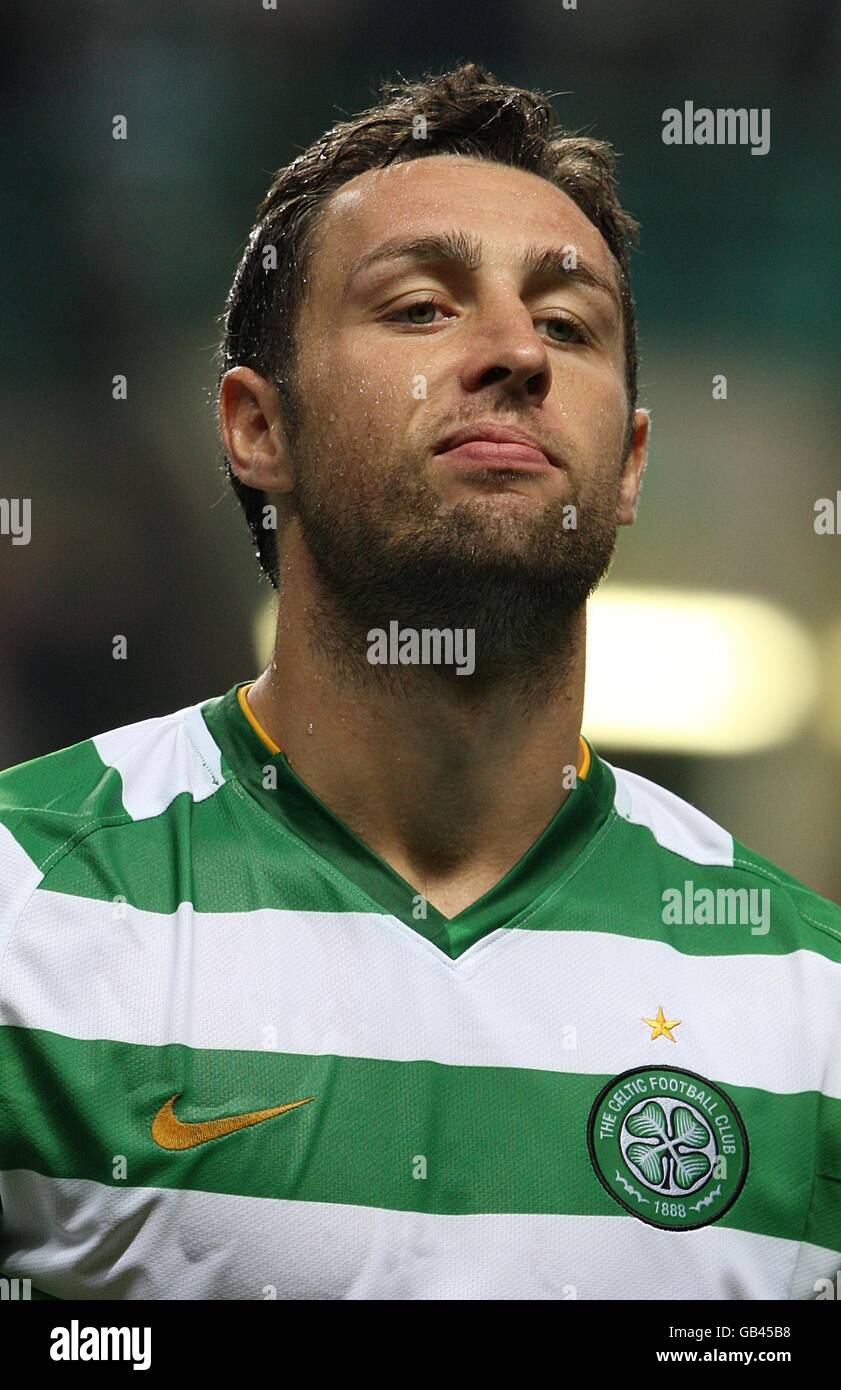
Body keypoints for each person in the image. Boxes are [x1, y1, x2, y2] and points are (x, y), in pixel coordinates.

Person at [1, 63, 839, 1301]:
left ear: (629, 467)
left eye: (567, 324)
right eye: (420, 308)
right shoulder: (28, 908)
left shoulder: (807, 998)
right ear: (256, 427)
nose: (515, 353)